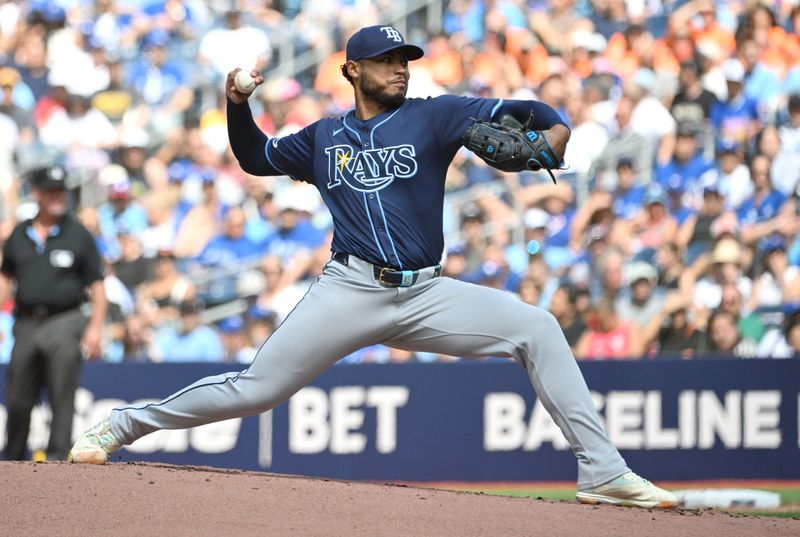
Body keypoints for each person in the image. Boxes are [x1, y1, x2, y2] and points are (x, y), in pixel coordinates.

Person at [70, 25, 676, 509]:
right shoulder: (322, 136)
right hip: (351, 288)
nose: (400, 67)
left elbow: (523, 108)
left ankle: (603, 472)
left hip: (426, 293)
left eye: (404, 58)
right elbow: (254, 157)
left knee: (537, 327)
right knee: (256, 390)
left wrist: (558, 127)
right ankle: (120, 425)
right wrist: (234, 104)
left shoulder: (435, 114)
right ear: (353, 70)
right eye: (387, 59)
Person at [1, 166, 107, 461]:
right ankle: (13, 461)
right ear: (37, 193)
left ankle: (58, 459)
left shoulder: (79, 235)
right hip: (26, 322)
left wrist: (95, 328)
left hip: (66, 320)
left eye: (61, 191)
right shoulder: (19, 235)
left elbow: (97, 286)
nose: (57, 196)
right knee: (18, 397)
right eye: (51, 191)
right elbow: (6, 278)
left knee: (63, 393)